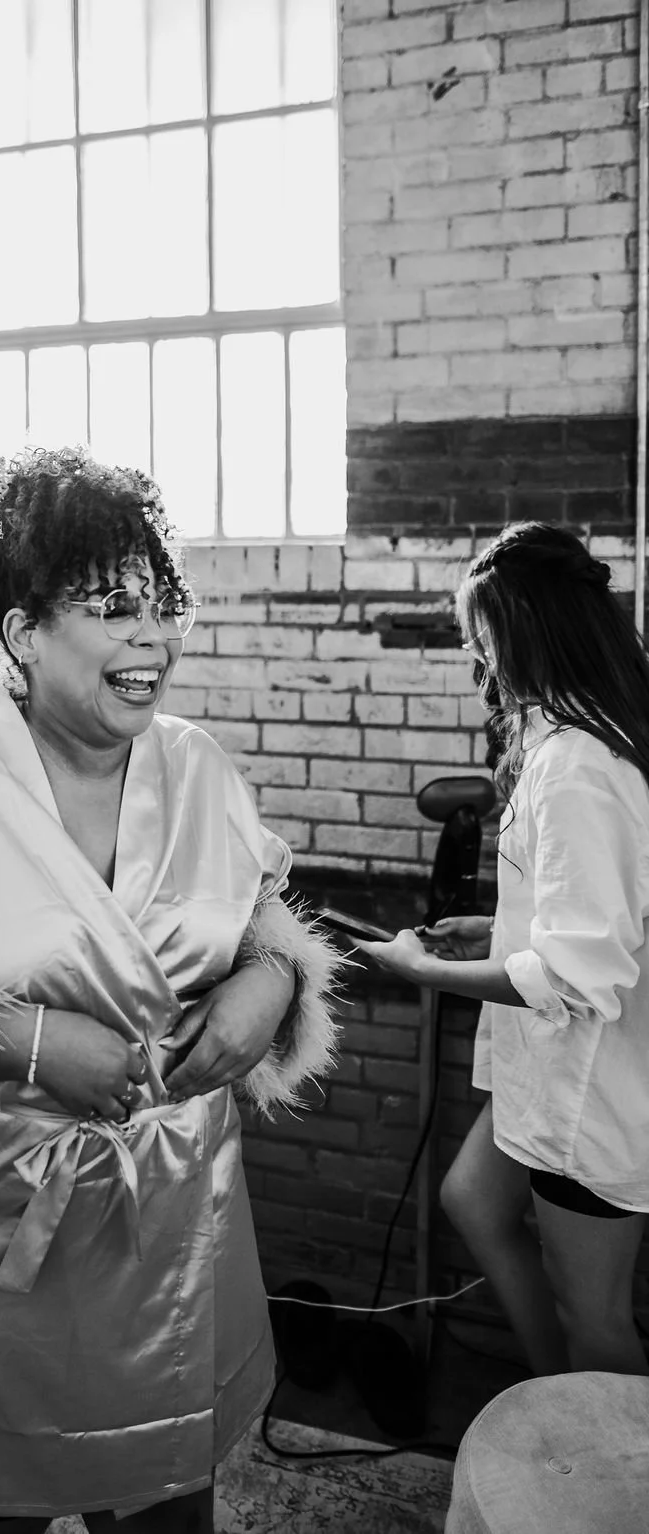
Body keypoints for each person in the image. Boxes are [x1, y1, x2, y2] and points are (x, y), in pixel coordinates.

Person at [0, 445, 341, 1533]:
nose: (153, 636)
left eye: (160, 604)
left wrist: (272, 982)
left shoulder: (199, 770)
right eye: (112, 606)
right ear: (20, 632)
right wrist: (26, 1042)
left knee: (165, 1502)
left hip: (171, 1218)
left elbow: (262, 918)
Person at [357, 521, 649, 1380]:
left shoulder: (578, 766)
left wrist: (428, 973)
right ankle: (556, 1396)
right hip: (550, 1070)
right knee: (473, 1201)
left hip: (588, 1093)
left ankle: (606, 1475)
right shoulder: (579, 739)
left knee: (593, 1314)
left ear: (529, 630)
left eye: (481, 636)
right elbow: (594, 915)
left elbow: (578, 971)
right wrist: (493, 931)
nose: (475, 657)